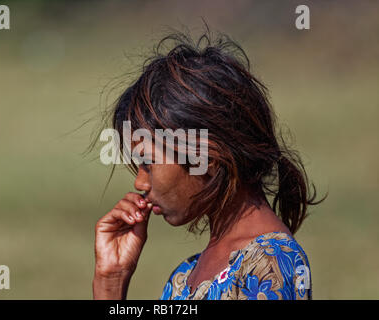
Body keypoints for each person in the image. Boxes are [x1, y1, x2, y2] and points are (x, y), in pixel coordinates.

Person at [92, 29, 326, 300]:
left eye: (148, 163)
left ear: (208, 158)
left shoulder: (267, 267)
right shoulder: (186, 276)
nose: (140, 183)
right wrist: (111, 280)